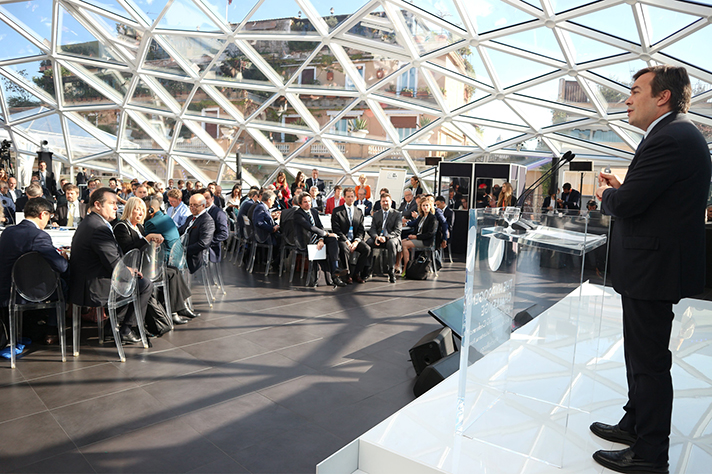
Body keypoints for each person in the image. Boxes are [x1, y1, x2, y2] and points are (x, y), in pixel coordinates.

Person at [592, 65, 711, 474]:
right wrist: (625, 189)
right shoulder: (673, 134)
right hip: (652, 267)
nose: (627, 98)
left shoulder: (671, 138)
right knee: (640, 355)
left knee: (649, 363)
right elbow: (654, 200)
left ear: (663, 96)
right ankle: (635, 424)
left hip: (653, 269)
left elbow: (626, 206)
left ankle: (649, 453)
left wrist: (608, 194)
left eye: (636, 90)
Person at [69, 188, 153, 345]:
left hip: (86, 283)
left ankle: (111, 327)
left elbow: (111, 260)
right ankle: (126, 330)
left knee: (134, 280)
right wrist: (129, 273)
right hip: (94, 288)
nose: (116, 207)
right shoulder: (99, 228)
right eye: (112, 203)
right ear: (98, 205)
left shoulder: (90, 222)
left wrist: (129, 271)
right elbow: (114, 265)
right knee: (145, 285)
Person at [115, 197, 195, 325]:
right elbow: (128, 250)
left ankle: (180, 307)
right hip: (135, 268)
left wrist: (153, 245)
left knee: (174, 271)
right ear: (129, 210)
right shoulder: (121, 226)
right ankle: (175, 311)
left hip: (144, 264)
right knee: (171, 273)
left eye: (142, 210)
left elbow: (142, 246)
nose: (141, 213)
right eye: (137, 209)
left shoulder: (139, 227)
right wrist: (147, 239)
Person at [0, 198, 69, 344]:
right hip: (25, 292)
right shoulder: (39, 235)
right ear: (42, 214)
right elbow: (61, 266)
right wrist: (63, 257)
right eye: (49, 218)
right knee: (63, 283)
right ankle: (52, 330)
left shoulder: (8, 232)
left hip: (7, 289)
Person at [293, 193, 347, 287]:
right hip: (306, 241)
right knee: (330, 239)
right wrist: (326, 234)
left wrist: (321, 239)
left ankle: (335, 269)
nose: (308, 204)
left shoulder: (314, 212)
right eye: (305, 202)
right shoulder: (298, 214)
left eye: (309, 201)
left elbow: (320, 227)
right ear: (300, 204)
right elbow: (310, 227)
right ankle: (333, 276)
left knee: (333, 240)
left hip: (317, 238)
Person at [331, 188, 371, 283]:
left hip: (354, 239)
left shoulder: (359, 211)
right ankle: (347, 274)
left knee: (367, 249)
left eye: (352, 196)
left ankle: (356, 273)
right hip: (343, 239)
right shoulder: (337, 211)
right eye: (348, 196)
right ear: (344, 198)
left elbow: (361, 229)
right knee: (344, 248)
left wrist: (356, 241)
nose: (350, 198)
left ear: (355, 197)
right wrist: (347, 241)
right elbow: (336, 229)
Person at [367, 193, 402, 283]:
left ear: (391, 202)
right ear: (380, 203)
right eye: (383, 201)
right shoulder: (376, 214)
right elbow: (372, 229)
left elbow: (397, 231)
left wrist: (386, 237)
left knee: (391, 243)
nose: (385, 203)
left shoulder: (397, 214)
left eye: (387, 201)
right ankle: (367, 269)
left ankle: (391, 271)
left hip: (391, 237)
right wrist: (376, 237)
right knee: (367, 243)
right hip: (378, 237)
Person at [398, 195, 438, 273]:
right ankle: (397, 264)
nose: (425, 207)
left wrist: (415, 236)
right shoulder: (421, 217)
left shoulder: (432, 218)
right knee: (401, 242)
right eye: (423, 205)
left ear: (430, 206)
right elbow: (416, 229)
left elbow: (430, 234)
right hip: (417, 238)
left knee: (405, 245)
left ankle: (406, 268)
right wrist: (410, 237)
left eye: (427, 205)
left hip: (425, 241)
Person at [178, 193, 215, 275]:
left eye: (195, 205)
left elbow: (204, 243)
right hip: (182, 253)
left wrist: (184, 250)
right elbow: (181, 230)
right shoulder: (190, 218)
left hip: (192, 257)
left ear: (203, 205)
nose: (192, 208)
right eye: (190, 205)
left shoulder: (207, 220)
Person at [200, 188, 229, 264]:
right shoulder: (201, 211)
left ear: (212, 198)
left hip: (211, 252)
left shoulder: (218, 213)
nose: (205, 201)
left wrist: (207, 242)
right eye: (203, 198)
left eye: (207, 198)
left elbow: (224, 234)